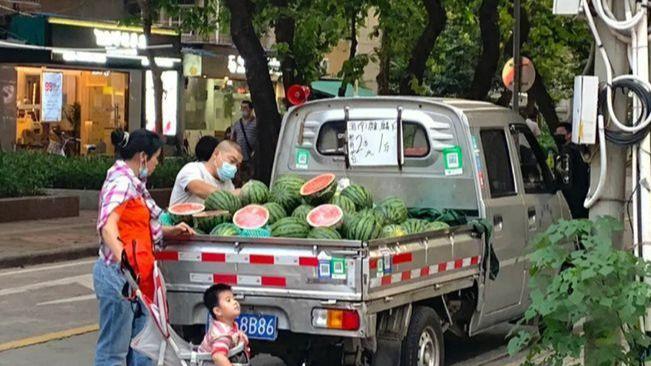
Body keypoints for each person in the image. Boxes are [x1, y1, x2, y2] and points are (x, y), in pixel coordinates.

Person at [94, 129, 195, 366]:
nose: (157, 163)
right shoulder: (121, 183)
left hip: (137, 277)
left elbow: (138, 225)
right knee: (114, 353)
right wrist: (125, 262)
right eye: (156, 157)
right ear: (142, 157)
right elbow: (107, 226)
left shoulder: (134, 185)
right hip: (121, 278)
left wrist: (171, 231)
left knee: (143, 351)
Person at [169, 139, 243, 206]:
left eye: (237, 165)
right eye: (232, 161)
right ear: (216, 154)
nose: (234, 167)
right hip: (179, 220)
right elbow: (197, 188)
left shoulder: (228, 183)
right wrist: (233, 194)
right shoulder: (192, 169)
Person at [199, 284, 250, 366]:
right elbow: (218, 357)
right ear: (218, 311)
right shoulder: (221, 335)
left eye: (234, 298)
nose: (235, 302)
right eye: (228, 300)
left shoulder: (230, 326)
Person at [554, 122, 590, 218]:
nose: (558, 136)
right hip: (582, 195)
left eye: (561, 133)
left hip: (572, 197)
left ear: (569, 134)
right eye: (556, 134)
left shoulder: (567, 152)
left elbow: (564, 177)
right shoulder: (578, 150)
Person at [230, 100, 257, 185]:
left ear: (251, 109)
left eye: (245, 107)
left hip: (252, 157)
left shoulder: (256, 123)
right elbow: (232, 138)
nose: (243, 109)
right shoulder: (237, 123)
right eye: (242, 108)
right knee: (239, 179)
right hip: (239, 157)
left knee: (250, 180)